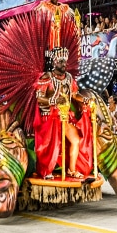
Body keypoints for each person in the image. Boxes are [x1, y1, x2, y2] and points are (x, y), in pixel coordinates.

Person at [35, 47, 90, 180]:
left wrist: (84, 99)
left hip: (65, 116)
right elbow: (39, 97)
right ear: (54, 63)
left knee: (76, 140)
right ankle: (47, 171)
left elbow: (74, 94)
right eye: (60, 61)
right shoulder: (46, 77)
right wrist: (54, 100)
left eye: (65, 61)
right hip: (49, 117)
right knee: (52, 145)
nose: (64, 64)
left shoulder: (69, 78)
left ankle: (72, 169)